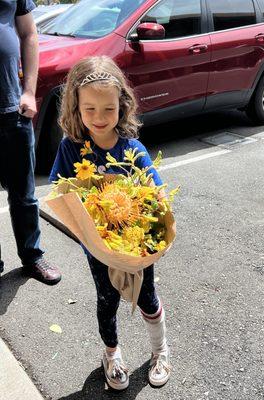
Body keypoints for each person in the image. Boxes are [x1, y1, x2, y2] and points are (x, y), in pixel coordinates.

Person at [50, 56, 171, 390]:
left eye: (108, 109)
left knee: (147, 296)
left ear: (123, 105)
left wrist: (152, 199)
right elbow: (61, 190)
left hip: (136, 246)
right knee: (107, 300)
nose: (99, 118)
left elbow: (156, 192)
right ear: (75, 107)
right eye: (89, 109)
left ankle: (160, 350)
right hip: (98, 246)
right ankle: (111, 353)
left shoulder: (132, 149)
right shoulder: (72, 150)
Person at [0, 0, 61, 284]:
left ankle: (32, 256)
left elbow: (28, 34)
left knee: (24, 195)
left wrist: (29, 91)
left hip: (13, 109)